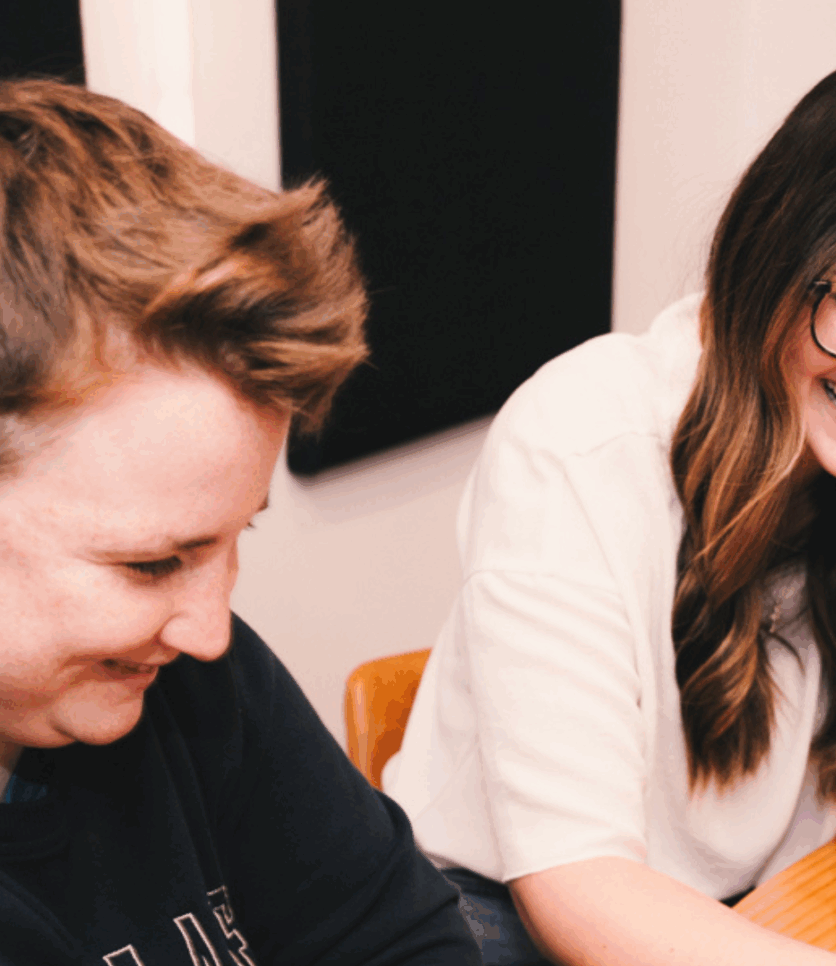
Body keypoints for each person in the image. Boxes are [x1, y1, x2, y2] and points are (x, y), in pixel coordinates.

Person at [386, 52, 836, 966]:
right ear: (772, 259)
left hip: (750, 917)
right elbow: (579, 889)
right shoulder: (580, 441)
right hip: (512, 921)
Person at [0, 78, 480, 964]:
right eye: (151, 564)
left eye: (233, 540)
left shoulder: (196, 688)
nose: (212, 631)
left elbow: (404, 937)